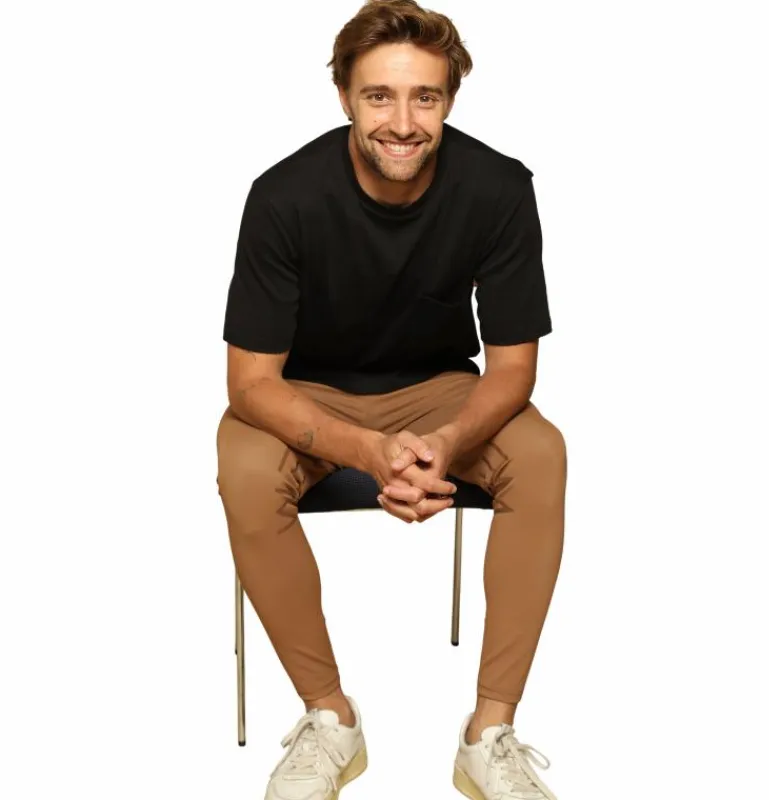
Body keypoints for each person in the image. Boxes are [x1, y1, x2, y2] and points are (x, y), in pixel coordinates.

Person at [216, 1, 567, 797]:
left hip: (439, 390)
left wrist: (445, 441)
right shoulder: (283, 196)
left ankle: (489, 733)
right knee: (244, 467)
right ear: (345, 96)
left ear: (450, 100)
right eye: (379, 96)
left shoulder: (499, 188)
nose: (403, 123)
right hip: (307, 394)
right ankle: (330, 719)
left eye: (425, 98)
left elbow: (513, 368)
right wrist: (368, 453)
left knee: (542, 453)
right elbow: (251, 383)